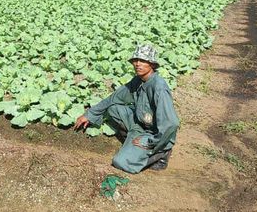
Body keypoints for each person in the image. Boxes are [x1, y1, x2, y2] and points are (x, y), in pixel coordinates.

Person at [73, 44, 179, 173]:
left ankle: (162, 152)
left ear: (152, 64)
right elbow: (114, 98)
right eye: (136, 60)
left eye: (143, 61)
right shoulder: (138, 80)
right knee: (113, 108)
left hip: (154, 134)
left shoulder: (159, 87)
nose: (138, 64)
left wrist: (151, 141)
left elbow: (171, 124)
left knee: (120, 162)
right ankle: (132, 142)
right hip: (139, 125)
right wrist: (89, 114)